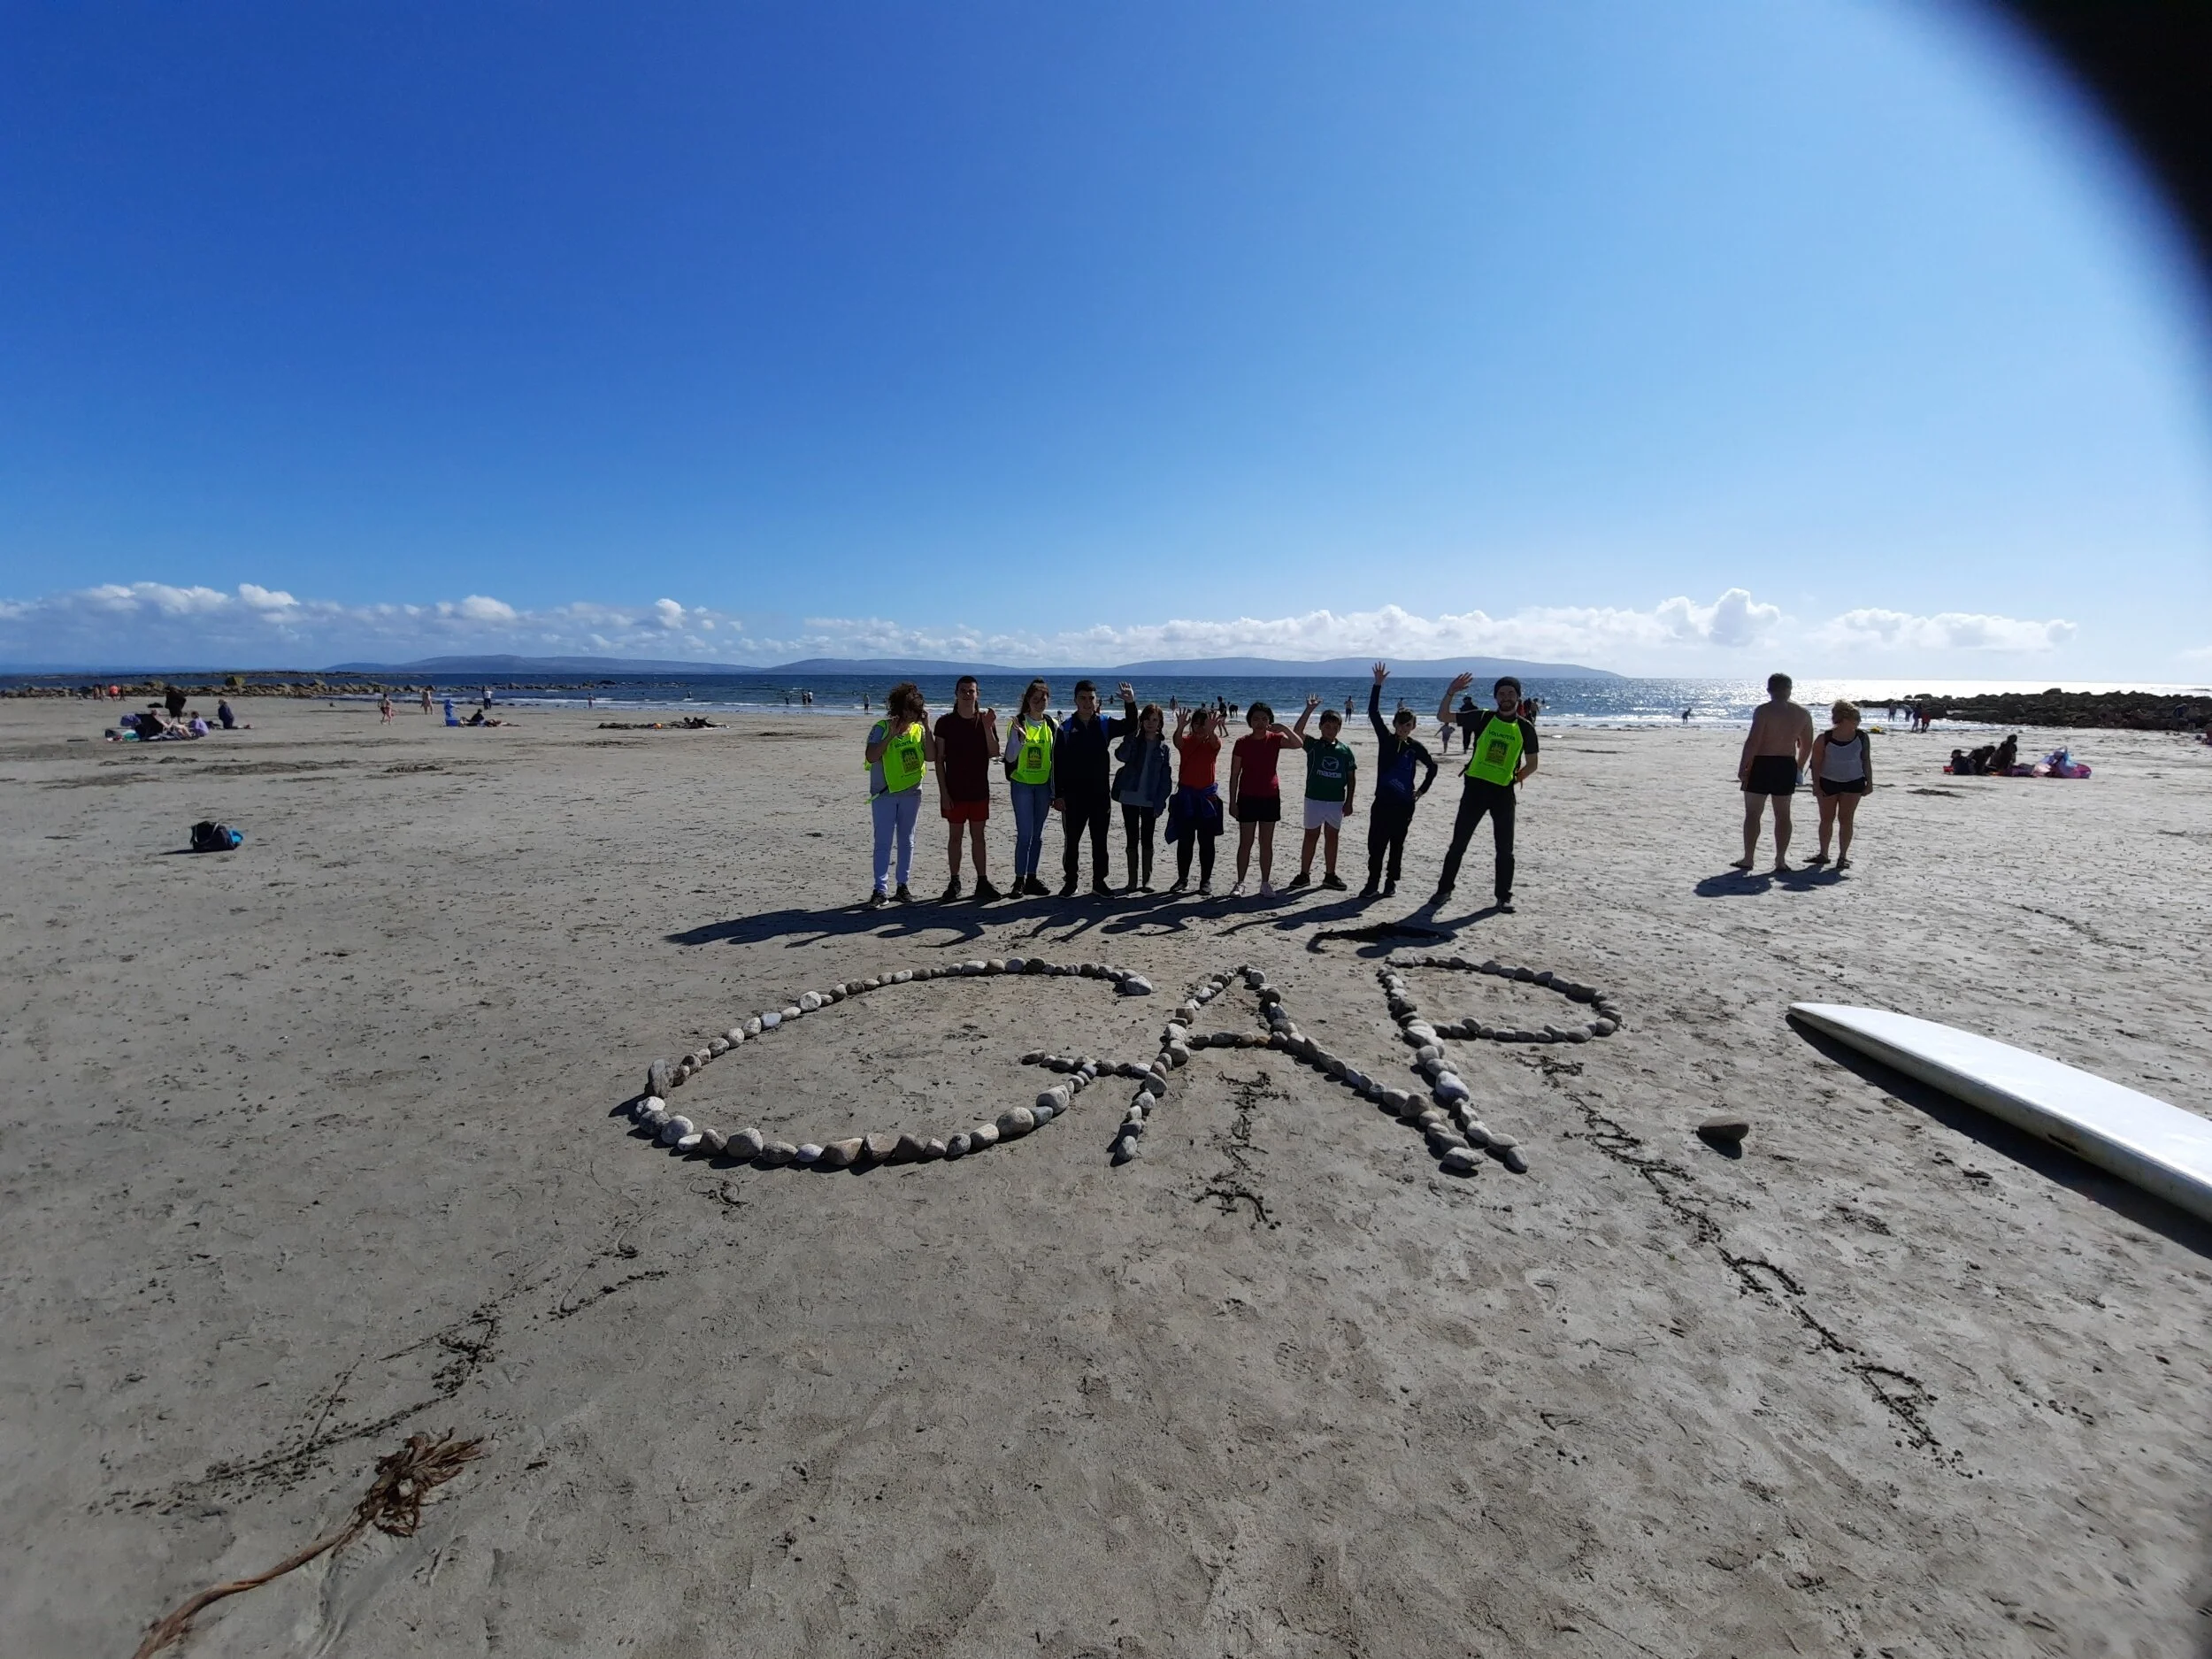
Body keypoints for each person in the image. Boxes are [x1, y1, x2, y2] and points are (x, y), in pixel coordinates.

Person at [1428, 672, 1540, 912]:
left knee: (1505, 849)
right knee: (1458, 843)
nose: (1506, 697)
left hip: (1503, 793)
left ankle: (1503, 896)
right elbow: (1443, 716)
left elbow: (1532, 764)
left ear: (1518, 697)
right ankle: (1444, 890)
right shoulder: (1483, 717)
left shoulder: (1526, 728)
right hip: (1475, 789)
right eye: (1502, 693)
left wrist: (1512, 779)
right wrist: (1451, 691)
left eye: (1511, 693)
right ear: (1496, 697)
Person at [1050, 680, 1139, 896]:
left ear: (1096, 700)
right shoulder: (1065, 728)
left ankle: (1099, 882)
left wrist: (1130, 702)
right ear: (1075, 700)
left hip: (1100, 795)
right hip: (1073, 797)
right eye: (1082, 698)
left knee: (1100, 841)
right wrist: (1058, 795)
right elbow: (1058, 763)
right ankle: (1071, 881)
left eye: (1091, 698)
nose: (1087, 703)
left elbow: (1130, 725)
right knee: (1072, 841)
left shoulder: (1104, 724)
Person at [1363, 662, 1437, 897]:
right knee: (1376, 844)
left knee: (1397, 845)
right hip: (1383, 801)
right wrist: (1377, 685)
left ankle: (1390, 882)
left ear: (1413, 726)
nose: (1404, 728)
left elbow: (1433, 768)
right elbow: (1373, 713)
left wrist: (1422, 790)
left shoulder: (1416, 748)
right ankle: (1372, 882)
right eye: (1401, 724)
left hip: (1404, 804)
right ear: (1394, 724)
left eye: (1409, 725)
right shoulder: (1386, 739)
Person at [1733, 672, 1815, 874]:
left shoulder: (1764, 711)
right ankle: (1780, 859)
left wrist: (1744, 765)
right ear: (1789, 689)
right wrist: (1799, 766)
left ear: (1769, 689)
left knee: (1753, 813)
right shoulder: (1802, 713)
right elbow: (1807, 744)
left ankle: (1749, 858)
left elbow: (1754, 741)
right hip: (1785, 763)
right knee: (1783, 814)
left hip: (1762, 763)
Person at [864, 682, 933, 908]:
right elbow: (872, 755)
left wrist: (927, 726)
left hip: (912, 793)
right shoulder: (881, 727)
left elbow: (931, 756)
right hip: (885, 794)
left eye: (915, 712)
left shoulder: (918, 729)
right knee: (883, 842)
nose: (911, 716)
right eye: (908, 711)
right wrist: (890, 737)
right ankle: (880, 889)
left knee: (907, 840)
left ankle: (902, 885)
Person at [933, 675, 1001, 902]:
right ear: (956, 694)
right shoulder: (945, 723)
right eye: (963, 690)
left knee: (978, 837)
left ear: (977, 694)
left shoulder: (983, 720)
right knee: (955, 837)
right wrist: (943, 793)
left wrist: (988, 726)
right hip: (955, 791)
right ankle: (955, 880)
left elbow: (994, 752)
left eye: (971, 691)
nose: (967, 694)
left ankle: (982, 881)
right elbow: (939, 759)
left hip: (979, 790)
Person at [1226, 702, 1302, 895]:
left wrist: (1284, 728)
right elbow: (1234, 774)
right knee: (1246, 842)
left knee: (1266, 842)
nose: (1260, 723)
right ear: (1249, 721)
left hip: (1270, 796)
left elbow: (1298, 744)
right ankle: (1240, 882)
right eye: (1256, 719)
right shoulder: (1242, 742)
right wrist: (1232, 802)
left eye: (1264, 719)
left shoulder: (1276, 739)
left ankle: (1265, 883)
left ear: (1269, 721)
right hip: (1247, 796)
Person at [1287, 693, 1357, 890]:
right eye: (1327, 726)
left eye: (1335, 728)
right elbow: (1297, 731)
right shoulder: (1313, 746)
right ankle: (1304, 874)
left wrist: (1349, 801)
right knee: (1311, 836)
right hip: (1314, 799)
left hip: (1336, 801)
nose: (1331, 730)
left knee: (1332, 836)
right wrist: (1309, 709)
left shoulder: (1345, 750)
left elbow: (1351, 779)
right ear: (1320, 727)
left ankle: (1330, 875)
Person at [1002, 679, 1056, 896]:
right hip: (1022, 785)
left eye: (1043, 699)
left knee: (1038, 835)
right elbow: (1009, 756)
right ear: (1028, 701)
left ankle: (1032, 877)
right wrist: (1020, 740)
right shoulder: (1018, 723)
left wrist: (1056, 790)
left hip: (1043, 786)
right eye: (1035, 700)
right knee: (1025, 835)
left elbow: (1056, 759)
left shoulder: (1052, 724)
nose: (1040, 703)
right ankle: (1019, 880)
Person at [1112, 703, 1174, 893]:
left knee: (1147, 838)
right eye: (1146, 719)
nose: (1150, 723)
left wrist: (1161, 801)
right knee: (1132, 837)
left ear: (1160, 723)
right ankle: (1132, 880)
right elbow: (1121, 756)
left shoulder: (1163, 749)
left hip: (1150, 799)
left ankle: (1147, 879)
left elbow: (1166, 779)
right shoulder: (1134, 742)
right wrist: (1131, 735)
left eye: (1154, 720)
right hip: (1129, 796)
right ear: (1141, 721)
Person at [1165, 705, 1225, 894]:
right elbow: (1177, 742)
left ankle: (1205, 881)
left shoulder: (1212, 743)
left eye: (1203, 724)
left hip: (1207, 799)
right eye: (1196, 724)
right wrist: (1180, 726)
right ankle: (1182, 879)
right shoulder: (1187, 741)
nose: (1199, 728)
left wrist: (1212, 731)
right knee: (1185, 841)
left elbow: (1216, 743)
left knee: (1207, 842)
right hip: (1186, 798)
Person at [1808, 700, 1871, 870]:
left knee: (1846, 819)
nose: (1858, 722)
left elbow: (1866, 760)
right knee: (1826, 819)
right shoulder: (1824, 738)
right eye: (1855, 718)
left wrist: (1869, 782)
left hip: (1854, 782)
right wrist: (1816, 785)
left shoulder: (1862, 737)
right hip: (1828, 781)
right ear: (1844, 719)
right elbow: (1816, 763)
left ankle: (1842, 856)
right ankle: (1824, 854)